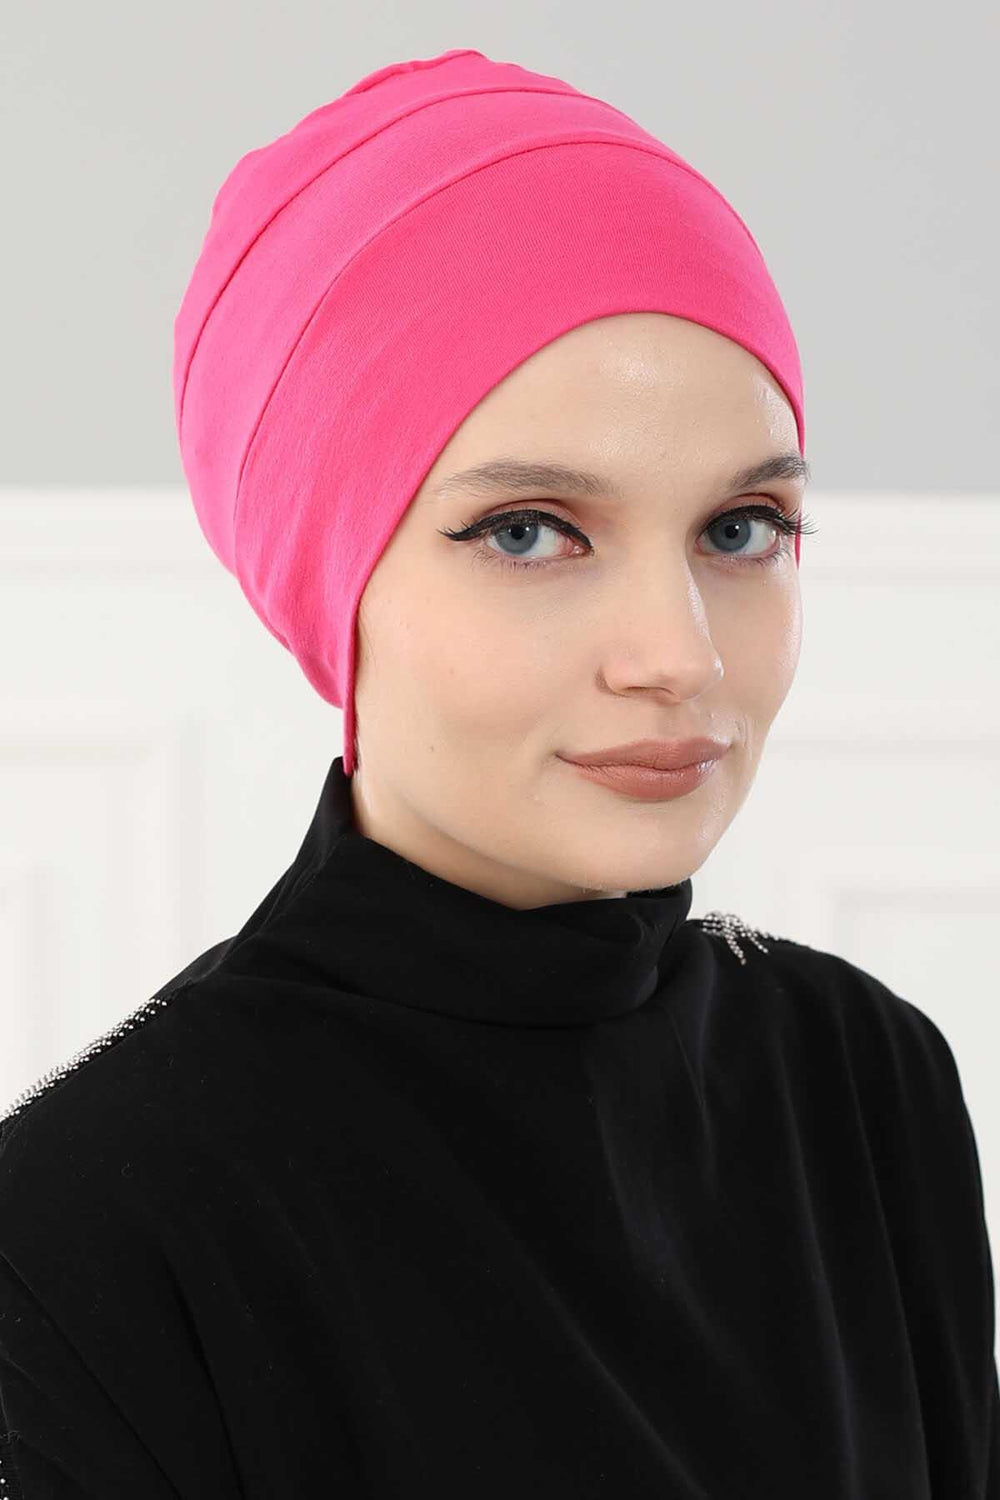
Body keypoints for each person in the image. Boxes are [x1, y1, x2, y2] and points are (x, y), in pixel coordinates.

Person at [1, 49, 997, 1499]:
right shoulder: (88, 1230)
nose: (678, 655)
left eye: (741, 527)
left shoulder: (866, 1080)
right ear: (332, 584)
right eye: (530, 531)